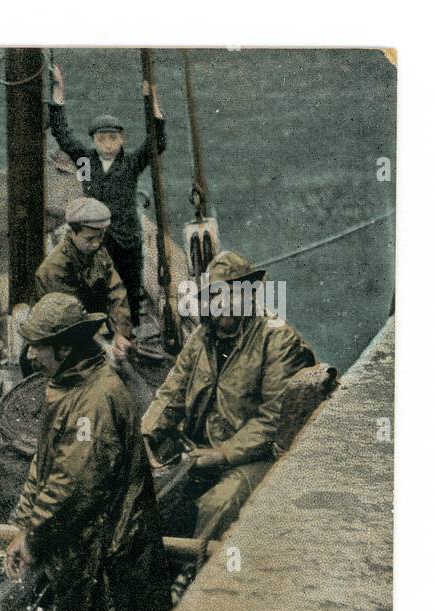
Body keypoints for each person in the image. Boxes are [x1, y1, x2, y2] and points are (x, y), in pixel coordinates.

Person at [5, 292, 172, 611]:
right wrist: (23, 523)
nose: (30, 355)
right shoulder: (66, 385)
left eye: (37, 346)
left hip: (114, 554)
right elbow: (45, 460)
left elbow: (72, 485)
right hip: (86, 548)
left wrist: (34, 539)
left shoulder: (95, 398)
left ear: (64, 350)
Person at [141, 251, 316, 541]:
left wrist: (222, 454)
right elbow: (172, 393)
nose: (225, 304)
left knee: (219, 503)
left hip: (253, 456)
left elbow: (273, 418)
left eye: (235, 294)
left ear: (250, 296)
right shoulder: (201, 338)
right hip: (200, 449)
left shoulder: (277, 340)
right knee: (149, 493)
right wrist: (147, 434)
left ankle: (195, 573)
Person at [48, 64, 165, 333]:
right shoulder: (86, 161)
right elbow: (62, 133)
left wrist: (153, 101)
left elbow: (156, 142)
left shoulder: (131, 163)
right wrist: (58, 92)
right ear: (94, 140)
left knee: (130, 284)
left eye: (113, 138)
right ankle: (99, 329)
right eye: (102, 138)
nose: (108, 143)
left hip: (126, 236)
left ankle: (130, 331)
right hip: (95, 237)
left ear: (122, 140)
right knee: (95, 285)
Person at [35, 197, 134, 359]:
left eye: (100, 237)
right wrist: (104, 347)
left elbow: (116, 293)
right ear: (73, 232)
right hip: (60, 334)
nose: (96, 244)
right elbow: (70, 319)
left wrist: (121, 333)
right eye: (90, 239)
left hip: (89, 322)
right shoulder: (54, 269)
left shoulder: (98, 253)